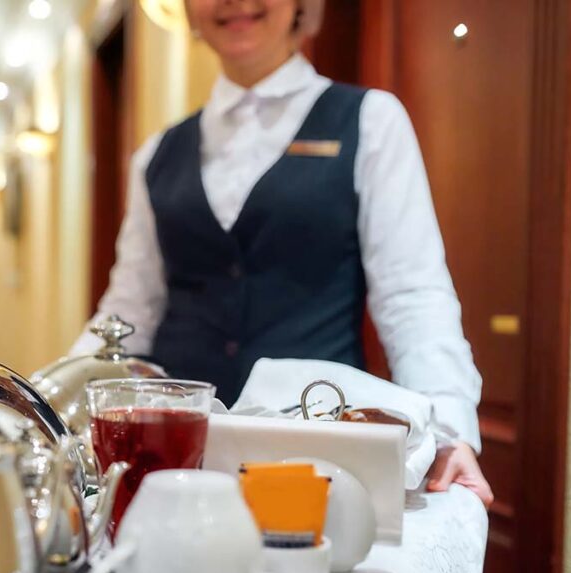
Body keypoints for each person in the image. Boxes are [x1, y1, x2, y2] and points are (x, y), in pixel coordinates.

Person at [71, 0, 494, 506]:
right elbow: (128, 309)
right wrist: (49, 403)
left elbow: (412, 292)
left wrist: (449, 428)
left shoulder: (371, 120)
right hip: (176, 457)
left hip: (316, 444)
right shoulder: (156, 154)